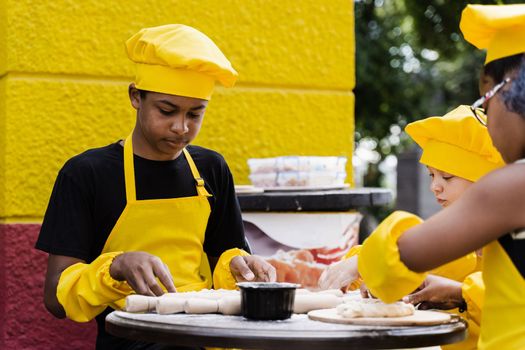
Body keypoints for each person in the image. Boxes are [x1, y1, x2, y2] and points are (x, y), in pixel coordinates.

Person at [35, 24, 276, 349]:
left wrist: (239, 264)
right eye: (167, 111)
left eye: (195, 114)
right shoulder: (86, 174)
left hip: (209, 338)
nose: (181, 127)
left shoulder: (211, 168)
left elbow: (225, 252)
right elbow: (56, 298)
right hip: (131, 342)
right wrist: (116, 267)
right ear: (136, 96)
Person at [357, 4, 525, 349]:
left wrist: (360, 260)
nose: (487, 121)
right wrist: (460, 292)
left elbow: (395, 262)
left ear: (508, 92)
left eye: (486, 100)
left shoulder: (511, 188)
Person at [318, 105, 504, 349]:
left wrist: (462, 294)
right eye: (431, 176)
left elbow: (511, 300)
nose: (435, 187)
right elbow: (405, 262)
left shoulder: (511, 237)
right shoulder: (458, 241)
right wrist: (359, 265)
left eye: (447, 177)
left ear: (484, 180)